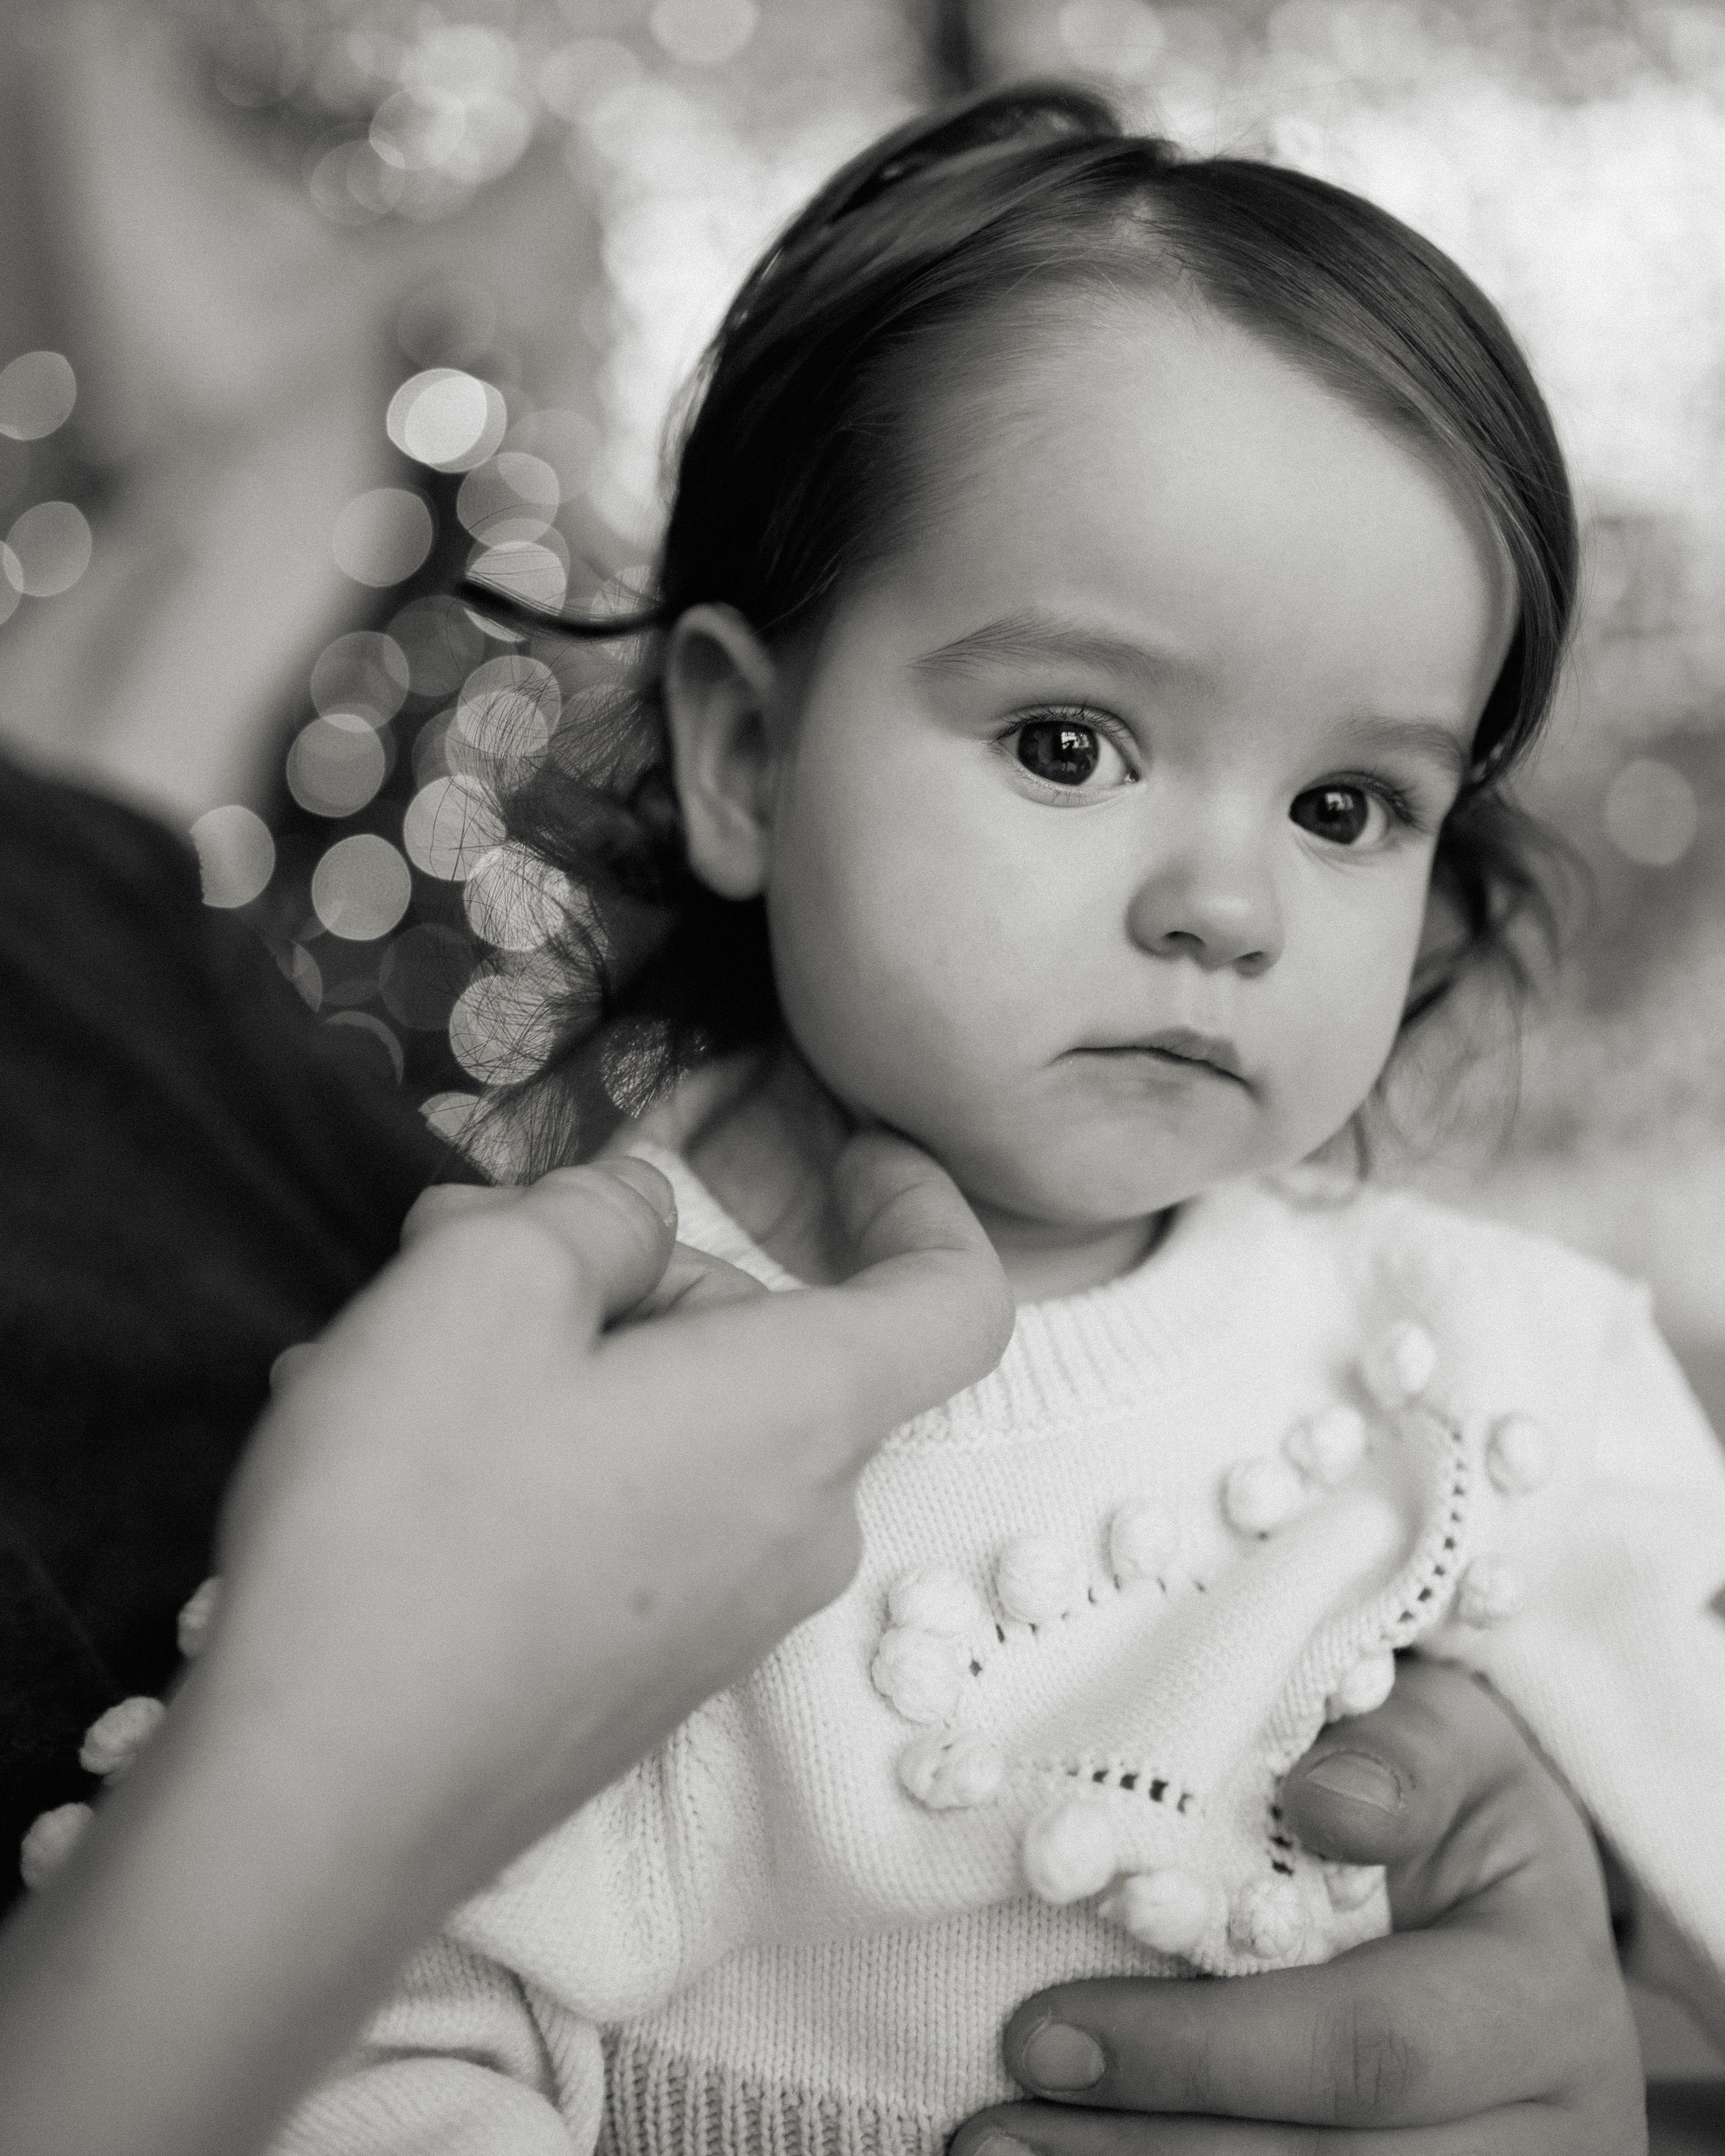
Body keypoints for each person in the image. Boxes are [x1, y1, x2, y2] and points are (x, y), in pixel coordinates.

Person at [251, 83, 1725, 2156]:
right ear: (750, 756)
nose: (1228, 903)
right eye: (1068, 741)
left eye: (1344, 806)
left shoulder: (1476, 1385)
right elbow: (312, 2035)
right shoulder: (574, 1397)